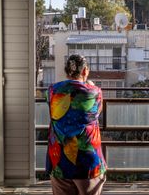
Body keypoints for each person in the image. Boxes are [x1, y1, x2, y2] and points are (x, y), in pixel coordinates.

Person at [46, 54, 107, 195]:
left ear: (66, 71)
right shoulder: (95, 92)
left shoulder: (52, 90)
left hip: (59, 162)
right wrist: (90, 85)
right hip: (87, 163)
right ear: (85, 71)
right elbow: (97, 112)